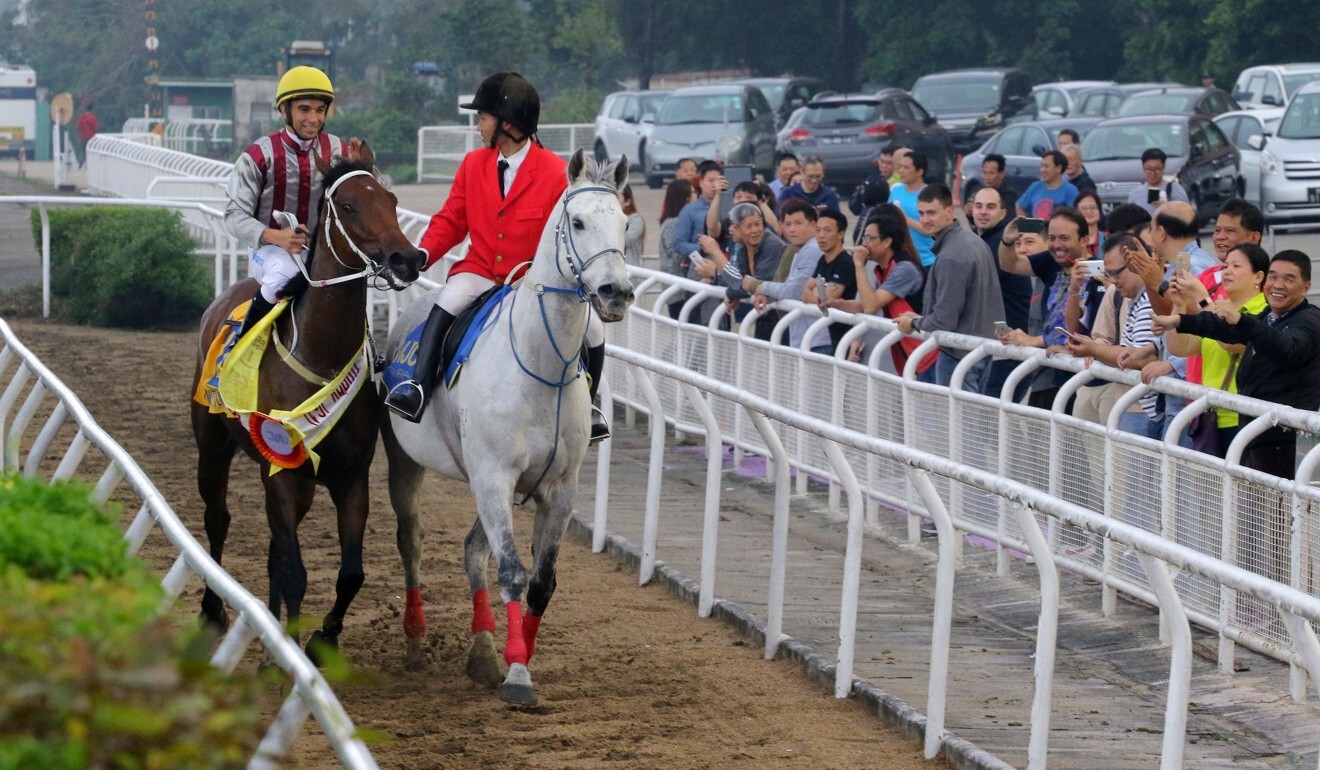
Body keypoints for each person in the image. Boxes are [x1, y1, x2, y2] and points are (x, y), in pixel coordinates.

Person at [385, 72, 610, 442]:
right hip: (481, 269)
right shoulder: (473, 164)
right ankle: (418, 387)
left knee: (594, 328)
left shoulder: (556, 174)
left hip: (532, 279)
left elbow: (570, 237)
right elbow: (452, 219)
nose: (478, 126)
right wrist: (423, 253)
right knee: (449, 299)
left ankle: (589, 405)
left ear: (507, 124)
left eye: (482, 118)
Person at [1153, 250, 1320, 477]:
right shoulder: (1269, 316)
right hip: (1255, 432)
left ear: (1306, 287)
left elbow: (1286, 348)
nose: (1278, 285)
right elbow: (1226, 330)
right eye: (1273, 277)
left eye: (1289, 279)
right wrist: (1179, 320)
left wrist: (1239, 319)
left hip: (1283, 441)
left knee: (1271, 500)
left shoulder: (1309, 320)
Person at [224, 66, 349, 341]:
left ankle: (365, 351)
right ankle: (243, 343)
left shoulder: (340, 151)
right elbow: (233, 215)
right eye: (304, 109)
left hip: (320, 252)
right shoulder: (257, 155)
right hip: (268, 251)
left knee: (351, 281)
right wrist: (275, 236)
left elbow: (368, 196)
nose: (313, 119)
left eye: (320, 110)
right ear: (284, 110)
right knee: (285, 273)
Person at [1161, 243, 1269, 454]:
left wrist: (1201, 298)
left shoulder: (1264, 311)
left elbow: (1231, 341)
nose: (1227, 271)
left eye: (1236, 266)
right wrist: (1178, 303)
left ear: (1258, 276)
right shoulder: (1217, 307)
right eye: (1226, 266)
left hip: (1244, 418)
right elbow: (1179, 347)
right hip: (1209, 416)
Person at [896, 184, 1004, 391]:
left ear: (949, 211)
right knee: (973, 412)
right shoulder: (974, 241)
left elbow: (944, 320)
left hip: (959, 354)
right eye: (921, 213)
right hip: (981, 350)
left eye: (931, 213)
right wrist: (920, 318)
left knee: (957, 412)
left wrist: (914, 323)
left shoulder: (950, 256)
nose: (925, 220)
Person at [842, 205, 936, 377]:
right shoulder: (884, 268)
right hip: (915, 355)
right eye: (864, 237)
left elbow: (870, 306)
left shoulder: (904, 269)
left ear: (887, 241)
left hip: (928, 356)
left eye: (870, 238)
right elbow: (865, 304)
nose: (864, 243)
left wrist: (859, 265)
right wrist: (834, 303)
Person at [696, 201, 786, 340]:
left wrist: (716, 253)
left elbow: (752, 285)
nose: (755, 230)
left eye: (758, 224)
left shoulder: (772, 245)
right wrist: (733, 290)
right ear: (735, 227)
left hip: (783, 317)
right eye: (749, 226)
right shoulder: (743, 245)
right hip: (768, 315)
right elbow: (740, 281)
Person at [750, 200, 829, 350]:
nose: (792, 229)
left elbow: (792, 291)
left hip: (817, 337)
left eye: (798, 223)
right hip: (807, 336)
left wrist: (758, 286)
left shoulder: (813, 249)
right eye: (787, 224)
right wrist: (767, 294)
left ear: (813, 225)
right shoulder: (800, 249)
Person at [800, 209, 856, 355]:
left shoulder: (845, 263)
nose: (821, 235)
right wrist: (817, 293)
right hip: (827, 334)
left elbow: (827, 298)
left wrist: (817, 292)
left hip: (845, 338)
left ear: (841, 234)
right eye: (818, 230)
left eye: (827, 230)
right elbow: (805, 293)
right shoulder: (822, 260)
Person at [889, 149, 935, 266]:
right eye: (900, 167)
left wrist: (905, 219)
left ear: (919, 172)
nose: (901, 171)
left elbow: (930, 230)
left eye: (906, 168)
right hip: (899, 259)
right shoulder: (896, 190)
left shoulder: (930, 194)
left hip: (925, 260)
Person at [657, 179, 696, 319]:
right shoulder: (674, 223)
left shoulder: (675, 222)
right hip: (678, 292)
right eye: (693, 192)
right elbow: (677, 254)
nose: (696, 196)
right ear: (686, 198)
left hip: (679, 290)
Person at [1016, 150, 1079, 219]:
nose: (1042, 170)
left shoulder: (1070, 191)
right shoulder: (1036, 187)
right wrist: (1026, 223)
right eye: (1041, 166)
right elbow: (1019, 206)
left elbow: (1075, 217)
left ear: (1058, 168)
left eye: (1046, 166)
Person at [1126, 148, 1188, 214]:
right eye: (1148, 169)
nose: (1152, 173)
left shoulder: (1174, 188)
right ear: (1143, 167)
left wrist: (1168, 208)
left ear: (1163, 167)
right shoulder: (1135, 193)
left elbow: (1187, 214)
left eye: (1157, 169)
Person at [621, 184, 644, 267]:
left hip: (629, 268)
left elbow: (625, 240)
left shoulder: (635, 219)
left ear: (627, 201)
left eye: (617, 196)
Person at [75, 103, 98, 168]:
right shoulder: (93, 117)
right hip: (91, 137)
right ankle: (89, 163)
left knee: (82, 150)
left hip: (83, 136)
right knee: (91, 150)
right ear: (92, 110)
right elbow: (95, 128)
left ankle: (82, 162)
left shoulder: (82, 117)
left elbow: (78, 126)